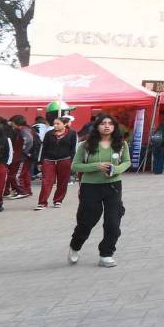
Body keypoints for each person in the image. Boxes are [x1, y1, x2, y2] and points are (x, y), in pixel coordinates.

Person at [68, 114, 130, 268]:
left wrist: (116, 169)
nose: (107, 126)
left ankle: (106, 254)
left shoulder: (121, 144)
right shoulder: (86, 145)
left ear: (115, 127)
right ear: (97, 126)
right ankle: (75, 245)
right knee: (86, 221)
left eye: (110, 123)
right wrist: (95, 166)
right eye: (103, 123)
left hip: (113, 187)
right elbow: (75, 166)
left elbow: (127, 162)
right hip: (90, 187)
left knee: (113, 223)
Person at [37, 116, 77, 210]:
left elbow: (73, 149)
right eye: (54, 124)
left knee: (62, 182)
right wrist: (40, 162)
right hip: (48, 160)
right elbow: (43, 148)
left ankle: (58, 200)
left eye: (58, 124)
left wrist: (72, 161)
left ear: (65, 124)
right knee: (46, 181)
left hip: (65, 160)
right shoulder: (48, 134)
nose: (55, 125)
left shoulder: (72, 133)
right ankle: (42, 203)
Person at [8, 115, 36, 198]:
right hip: (26, 157)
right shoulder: (28, 129)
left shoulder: (23, 130)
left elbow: (29, 140)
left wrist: (24, 151)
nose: (11, 124)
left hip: (23, 157)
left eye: (12, 122)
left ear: (16, 122)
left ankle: (22, 191)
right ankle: (27, 191)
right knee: (25, 174)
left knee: (17, 175)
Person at [0, 118, 11, 212]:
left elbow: (9, 154)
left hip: (1, 165)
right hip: (1, 165)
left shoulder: (5, 140)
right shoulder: (6, 139)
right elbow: (10, 154)